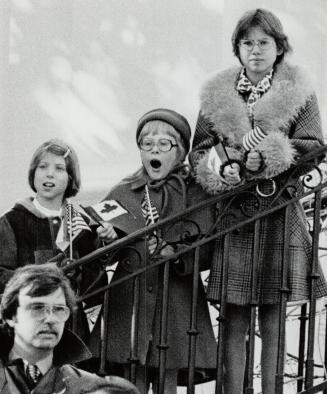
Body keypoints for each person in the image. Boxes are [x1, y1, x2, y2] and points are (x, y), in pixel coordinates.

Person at [190, 8, 327, 394]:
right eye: (247, 42)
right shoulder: (217, 94)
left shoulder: (299, 91)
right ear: (237, 48)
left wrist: (270, 153)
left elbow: (314, 147)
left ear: (279, 47)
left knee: (273, 319)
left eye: (263, 42)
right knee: (232, 318)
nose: (255, 50)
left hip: (279, 213)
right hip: (234, 216)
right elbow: (198, 151)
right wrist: (224, 168)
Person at [88, 109, 217, 394]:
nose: (153, 150)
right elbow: (100, 250)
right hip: (129, 300)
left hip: (176, 299)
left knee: (166, 377)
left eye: (163, 144)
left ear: (180, 150)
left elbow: (207, 248)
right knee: (127, 379)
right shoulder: (125, 190)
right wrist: (106, 240)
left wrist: (175, 252)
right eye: (147, 144)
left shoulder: (195, 192)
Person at [0, 139, 108, 336]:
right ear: (33, 173)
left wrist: (79, 273)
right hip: (27, 323)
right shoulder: (12, 221)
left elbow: (96, 277)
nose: (49, 173)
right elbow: (1, 273)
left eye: (59, 168)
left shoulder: (81, 222)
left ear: (70, 178)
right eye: (42, 167)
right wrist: (36, 278)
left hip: (71, 324)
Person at [0, 263, 139, 393]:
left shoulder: (93, 388)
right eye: (37, 308)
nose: (50, 319)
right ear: (10, 316)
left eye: (59, 309)